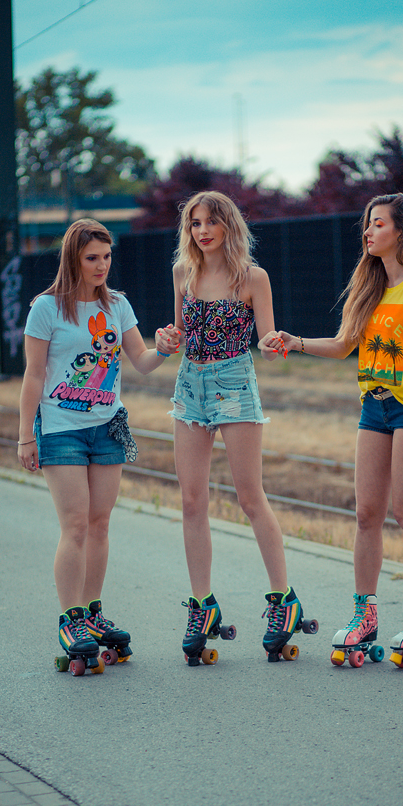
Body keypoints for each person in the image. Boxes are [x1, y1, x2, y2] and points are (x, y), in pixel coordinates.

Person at [263, 193, 403, 665]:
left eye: (378, 224)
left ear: (402, 231)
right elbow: (344, 344)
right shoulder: (370, 285)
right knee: (366, 513)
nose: (368, 232)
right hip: (375, 407)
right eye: (367, 225)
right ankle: (364, 615)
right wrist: (295, 342)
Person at [17, 218, 175, 674]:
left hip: (108, 427)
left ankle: (91, 612)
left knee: (100, 524)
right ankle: (71, 620)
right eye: (92, 258)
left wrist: (164, 348)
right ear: (74, 258)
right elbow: (33, 374)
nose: (102, 265)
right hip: (60, 429)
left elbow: (140, 360)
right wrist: (26, 434)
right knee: (75, 525)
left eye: (107, 256)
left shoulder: (117, 305)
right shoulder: (46, 308)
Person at [166, 191, 311, 666]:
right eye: (195, 223)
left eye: (211, 222)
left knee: (250, 496)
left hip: (234, 382)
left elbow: (267, 342)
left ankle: (283, 599)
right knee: (192, 500)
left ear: (229, 225)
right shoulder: (183, 274)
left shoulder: (252, 277)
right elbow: (181, 334)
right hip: (190, 385)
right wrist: (167, 338)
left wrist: (274, 344)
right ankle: (202, 606)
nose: (203, 231)